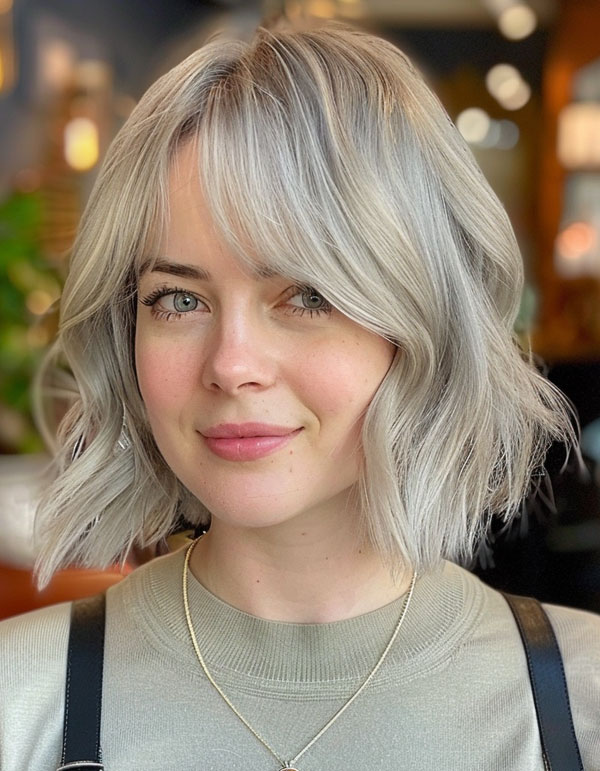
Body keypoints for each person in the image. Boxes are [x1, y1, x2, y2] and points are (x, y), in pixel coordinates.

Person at [1, 18, 599, 771]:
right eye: (178, 299)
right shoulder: (20, 702)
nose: (233, 364)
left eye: (307, 295)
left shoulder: (579, 703)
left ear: (423, 319)